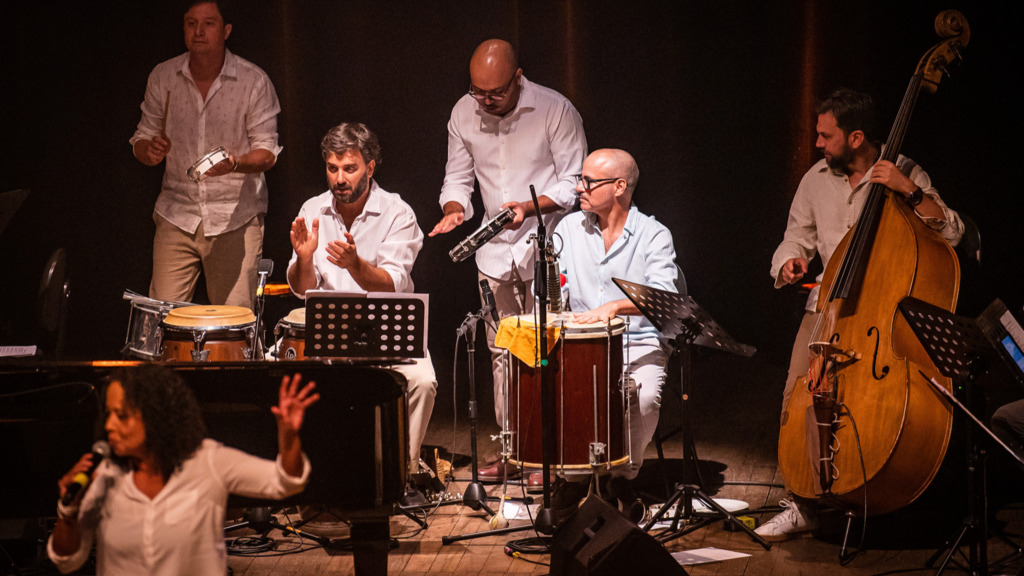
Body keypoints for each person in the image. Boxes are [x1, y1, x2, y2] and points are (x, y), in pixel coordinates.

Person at [759, 88, 964, 542]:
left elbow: (950, 231)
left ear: (855, 137)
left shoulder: (904, 170)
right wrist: (789, 262)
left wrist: (908, 190)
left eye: (825, 135)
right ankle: (802, 501)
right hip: (828, 307)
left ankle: (872, 485)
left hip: (882, 309)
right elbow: (796, 237)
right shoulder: (815, 179)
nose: (817, 144)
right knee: (799, 394)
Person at [428, 39, 587, 480]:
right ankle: (514, 449)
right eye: (479, 91)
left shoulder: (555, 110)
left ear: (518, 78)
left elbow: (576, 182)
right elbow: (456, 178)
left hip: (548, 245)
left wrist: (529, 208)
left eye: (495, 92)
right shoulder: (463, 112)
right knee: (503, 351)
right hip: (493, 251)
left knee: (548, 349)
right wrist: (455, 209)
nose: (486, 100)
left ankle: (552, 453)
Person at [47, 364, 318, 575]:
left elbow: (286, 482)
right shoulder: (105, 476)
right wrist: (68, 512)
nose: (109, 426)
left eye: (123, 416)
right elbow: (67, 560)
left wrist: (288, 437)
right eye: (108, 415)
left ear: (156, 416)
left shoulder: (207, 461)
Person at [288, 122, 437, 483]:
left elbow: (392, 284)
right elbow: (301, 288)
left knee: (421, 381)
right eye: (332, 168)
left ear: (370, 168)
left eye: (349, 168)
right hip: (329, 337)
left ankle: (401, 472)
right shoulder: (313, 208)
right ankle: (318, 475)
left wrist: (355, 266)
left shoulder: (397, 213)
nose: (339, 178)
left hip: (384, 333)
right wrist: (305, 259)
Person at [130, 0, 282, 309]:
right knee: (163, 321)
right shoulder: (163, 76)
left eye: (209, 23)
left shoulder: (253, 80)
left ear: (226, 31)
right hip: (178, 214)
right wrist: (150, 151)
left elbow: (268, 153)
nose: (198, 31)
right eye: (191, 23)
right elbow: (141, 140)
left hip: (234, 219)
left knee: (234, 323)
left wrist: (236, 163)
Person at [551, 148, 678, 514]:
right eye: (580, 179)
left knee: (644, 397)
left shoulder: (654, 235)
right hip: (581, 346)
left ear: (620, 186)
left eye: (588, 181)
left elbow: (664, 297)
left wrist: (614, 307)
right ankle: (573, 479)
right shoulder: (568, 229)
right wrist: (547, 286)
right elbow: (553, 292)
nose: (579, 189)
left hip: (637, 342)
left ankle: (622, 479)